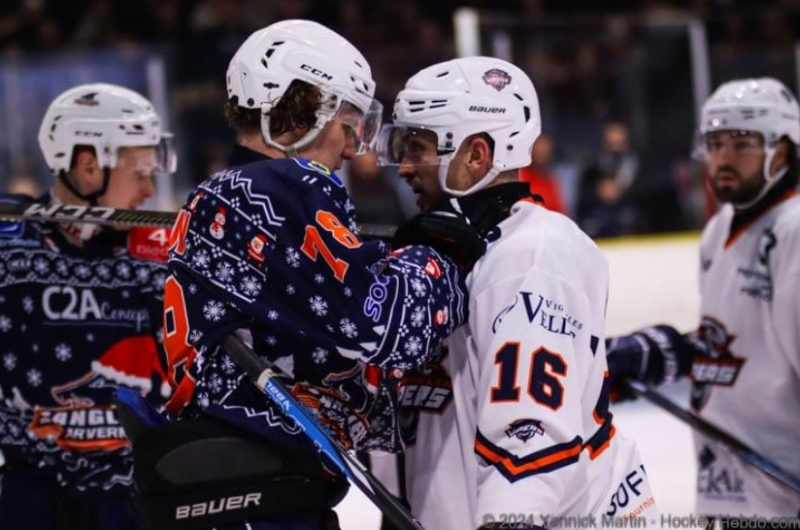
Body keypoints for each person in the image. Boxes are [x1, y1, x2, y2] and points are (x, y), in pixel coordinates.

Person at [119, 19, 480, 530]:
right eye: (348, 124)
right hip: (259, 494)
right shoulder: (284, 187)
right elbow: (381, 325)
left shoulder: (223, 192)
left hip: (234, 485)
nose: (352, 148)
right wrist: (439, 257)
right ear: (305, 109)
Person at [376, 56, 659, 530]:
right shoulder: (450, 250)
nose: (404, 167)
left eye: (418, 148)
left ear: (476, 155)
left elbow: (530, 440)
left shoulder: (533, 255)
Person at [606, 77, 800, 525]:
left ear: (783, 151)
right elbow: (743, 344)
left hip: (785, 498)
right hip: (729, 490)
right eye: (714, 144)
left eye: (742, 144)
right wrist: (670, 353)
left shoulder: (792, 232)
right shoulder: (719, 229)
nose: (722, 158)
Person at [0, 82, 176, 530]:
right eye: (140, 173)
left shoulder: (164, 255)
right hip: (32, 499)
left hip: (140, 500)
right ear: (89, 165)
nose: (149, 190)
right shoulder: (10, 249)